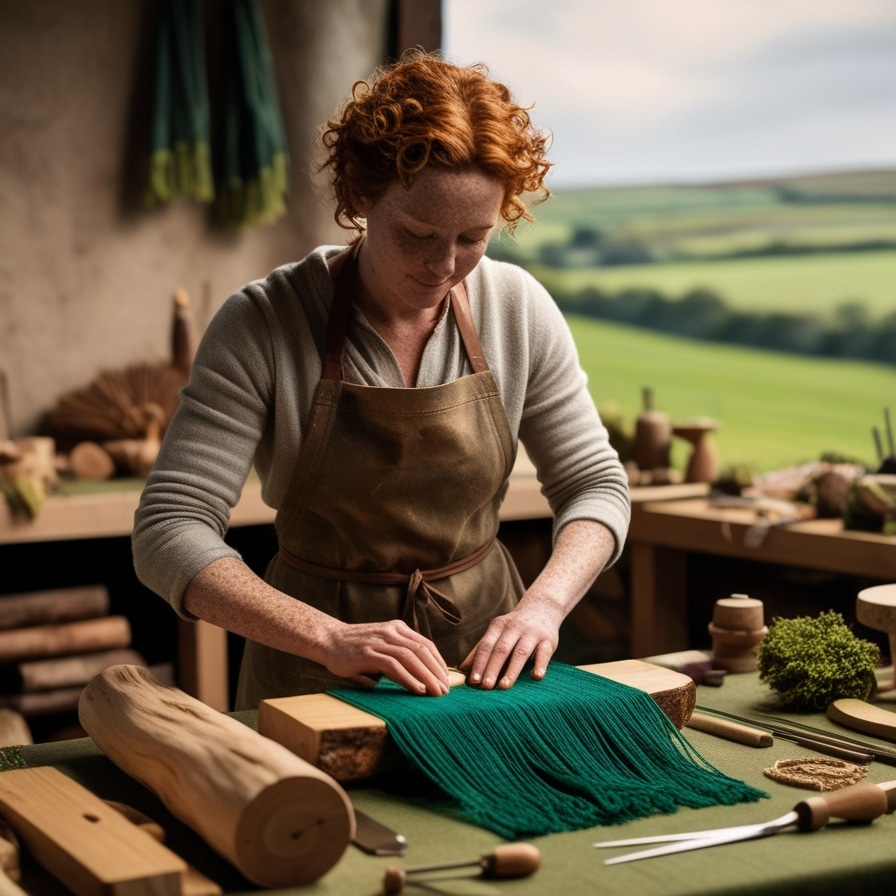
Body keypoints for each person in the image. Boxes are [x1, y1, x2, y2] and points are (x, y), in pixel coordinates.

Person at [132, 50, 631, 710]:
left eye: (472, 237)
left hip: (485, 673)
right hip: (315, 674)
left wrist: (542, 607)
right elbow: (168, 528)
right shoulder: (263, 322)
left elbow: (596, 486)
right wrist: (325, 635)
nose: (442, 264)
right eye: (417, 232)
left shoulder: (517, 307)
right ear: (361, 196)